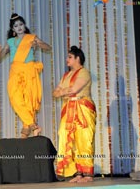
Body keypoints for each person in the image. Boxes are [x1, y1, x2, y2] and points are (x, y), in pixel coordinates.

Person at [0, 13, 51, 138]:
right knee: (15, 99)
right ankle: (32, 125)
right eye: (16, 26)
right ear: (13, 30)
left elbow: (48, 47)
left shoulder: (31, 38)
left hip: (29, 72)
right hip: (15, 71)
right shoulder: (10, 42)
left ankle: (26, 130)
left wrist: (38, 45)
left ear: (24, 26)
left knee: (29, 102)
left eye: (21, 24)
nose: (19, 27)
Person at [53, 46, 96, 182]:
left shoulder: (84, 72)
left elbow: (74, 90)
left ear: (78, 58)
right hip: (69, 108)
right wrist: (64, 91)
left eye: (70, 57)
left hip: (82, 109)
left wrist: (62, 91)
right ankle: (78, 173)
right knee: (66, 138)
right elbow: (55, 93)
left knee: (84, 139)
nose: (67, 59)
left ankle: (87, 174)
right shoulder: (66, 75)